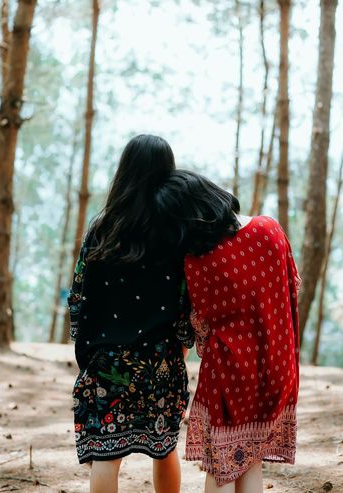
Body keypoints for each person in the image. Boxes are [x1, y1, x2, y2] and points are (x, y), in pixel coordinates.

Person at [155, 170, 301, 493]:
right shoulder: (270, 229)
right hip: (277, 368)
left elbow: (201, 331)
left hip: (230, 373)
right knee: (251, 462)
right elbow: (292, 291)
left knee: (221, 468)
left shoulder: (198, 261)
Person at [67, 135, 194, 493]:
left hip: (107, 363)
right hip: (161, 363)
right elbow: (185, 299)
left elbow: (78, 295)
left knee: (107, 455)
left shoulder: (102, 228)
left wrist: (86, 352)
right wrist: (182, 347)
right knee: (164, 448)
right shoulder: (174, 231)